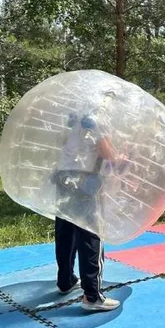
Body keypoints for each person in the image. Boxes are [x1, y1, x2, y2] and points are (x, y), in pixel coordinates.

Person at [52, 106, 121, 312]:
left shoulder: (73, 117)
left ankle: (65, 281)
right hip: (83, 179)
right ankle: (92, 296)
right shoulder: (99, 118)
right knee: (91, 233)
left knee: (66, 229)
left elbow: (62, 145)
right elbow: (106, 152)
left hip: (63, 176)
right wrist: (118, 155)